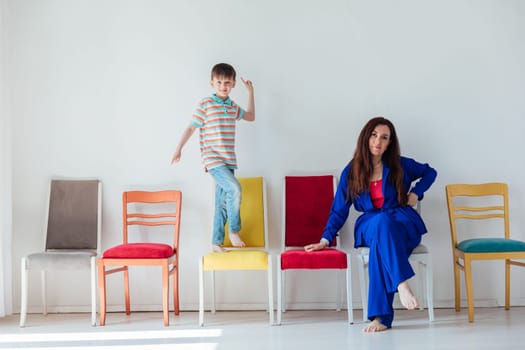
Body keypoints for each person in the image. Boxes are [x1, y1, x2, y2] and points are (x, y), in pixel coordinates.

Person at [304, 116, 437, 332]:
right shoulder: (352, 171)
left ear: (390, 143)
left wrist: (416, 193)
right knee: (380, 223)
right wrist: (325, 239)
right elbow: (339, 208)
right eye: (374, 135)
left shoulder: (400, 165)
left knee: (379, 245)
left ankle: (381, 318)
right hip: (370, 223)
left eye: (384, 138)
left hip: (402, 223)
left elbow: (430, 172)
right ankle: (401, 283)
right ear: (366, 138)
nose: (378, 141)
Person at [171, 63, 255, 252]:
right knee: (235, 189)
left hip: (229, 160)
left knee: (222, 203)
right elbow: (191, 127)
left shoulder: (232, 107)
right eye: (219, 82)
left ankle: (216, 242)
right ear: (212, 83)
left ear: (233, 84)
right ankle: (233, 230)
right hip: (213, 159)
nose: (223, 86)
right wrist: (179, 149)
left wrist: (250, 92)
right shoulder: (206, 104)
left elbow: (250, 116)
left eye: (227, 82)